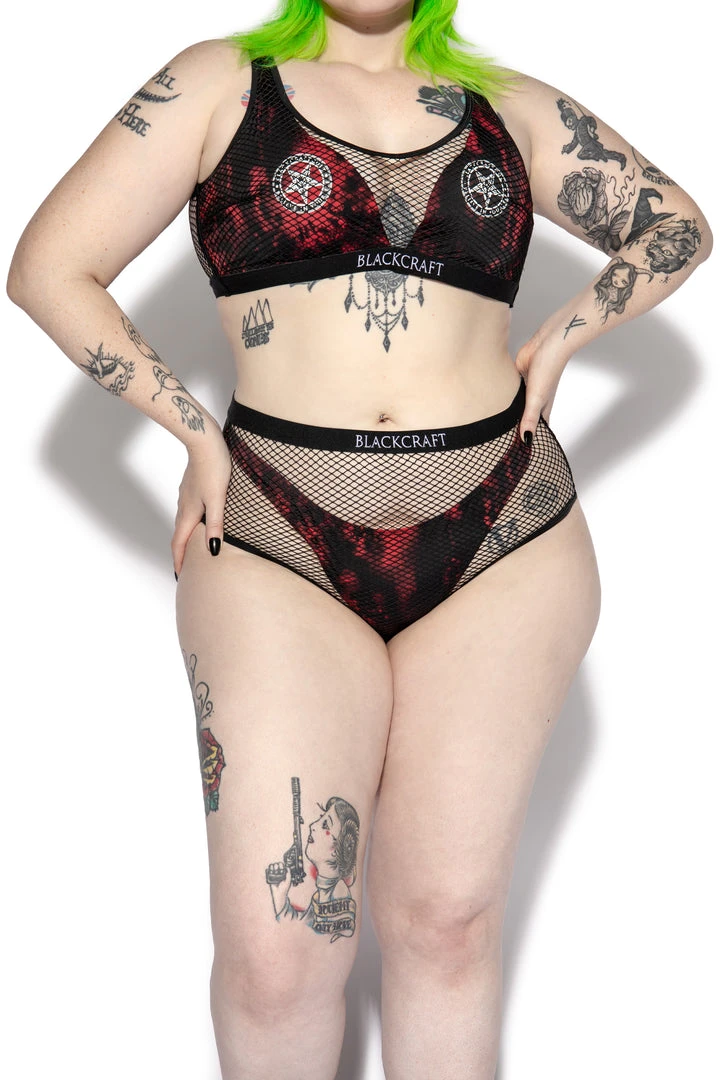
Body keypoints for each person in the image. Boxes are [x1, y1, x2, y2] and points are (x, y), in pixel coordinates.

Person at [6, 1, 712, 1077]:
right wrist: (191, 430)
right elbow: (48, 267)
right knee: (276, 958)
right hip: (275, 526)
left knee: (446, 923)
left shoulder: (507, 106)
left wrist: (564, 337)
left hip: (503, 533)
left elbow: (675, 225)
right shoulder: (218, 84)